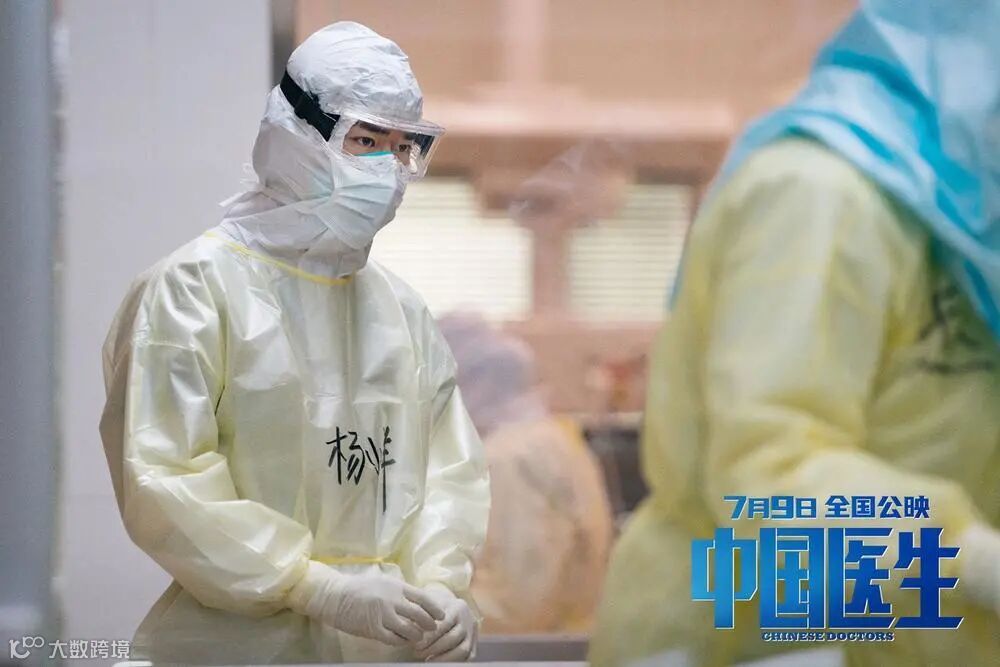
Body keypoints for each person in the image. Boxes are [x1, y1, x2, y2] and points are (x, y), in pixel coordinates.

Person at [590, 1, 1000, 666]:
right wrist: (967, 554)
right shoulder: (819, 196)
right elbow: (768, 469)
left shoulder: (964, 229)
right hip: (752, 640)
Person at [99, 22, 490, 664]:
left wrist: (444, 590)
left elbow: (450, 475)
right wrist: (311, 586)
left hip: (388, 646)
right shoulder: (193, 289)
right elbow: (165, 477)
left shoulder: (402, 311)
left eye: (401, 148)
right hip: (234, 646)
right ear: (297, 133)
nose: (386, 170)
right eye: (365, 140)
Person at [438, 313, 614, 634]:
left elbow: (517, 604)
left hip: (536, 649)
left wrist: (421, 613)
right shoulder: (549, 436)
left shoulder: (511, 459)